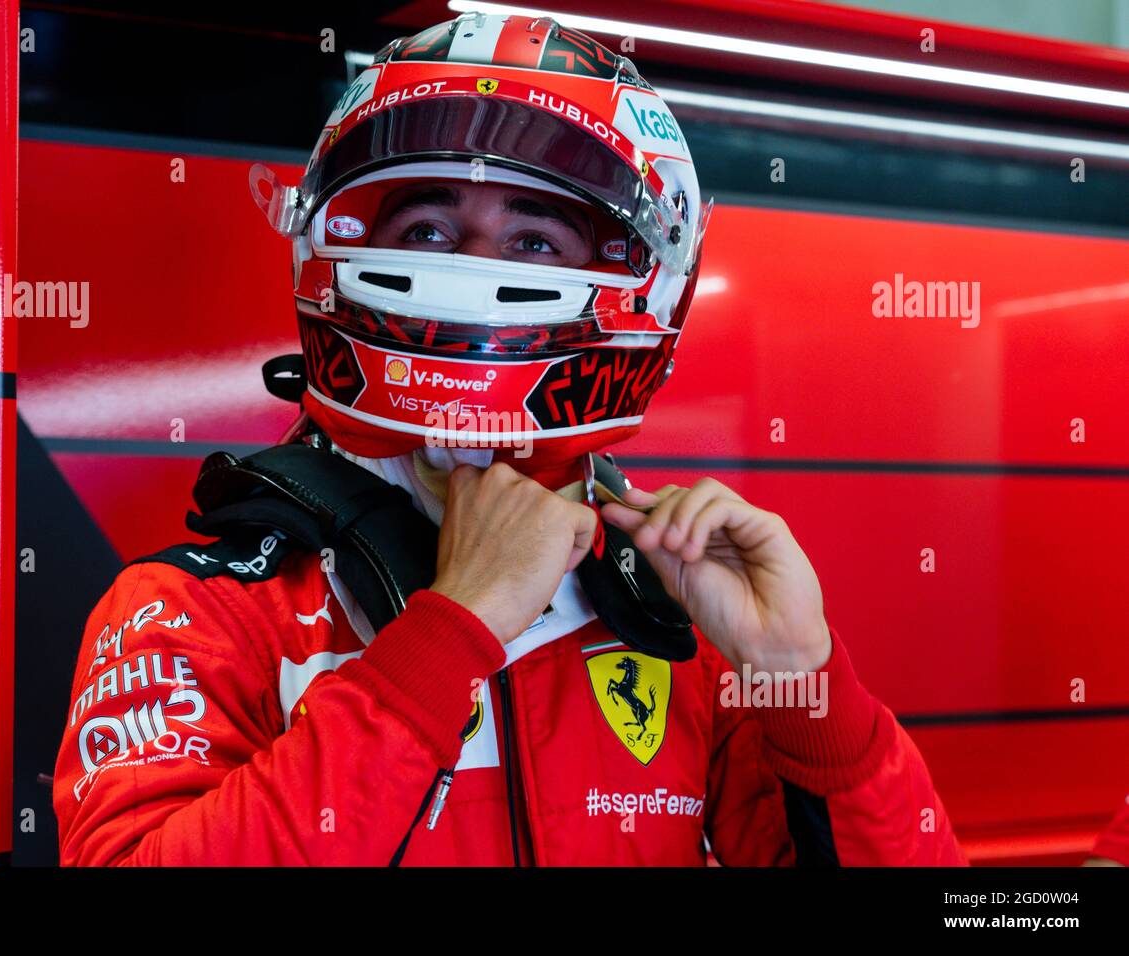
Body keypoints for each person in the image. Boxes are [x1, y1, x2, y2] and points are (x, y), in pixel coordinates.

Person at [53, 12, 966, 866]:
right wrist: (449, 636)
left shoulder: (678, 613)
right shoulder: (192, 612)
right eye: (429, 228)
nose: (472, 272)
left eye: (535, 241)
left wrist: (804, 683)